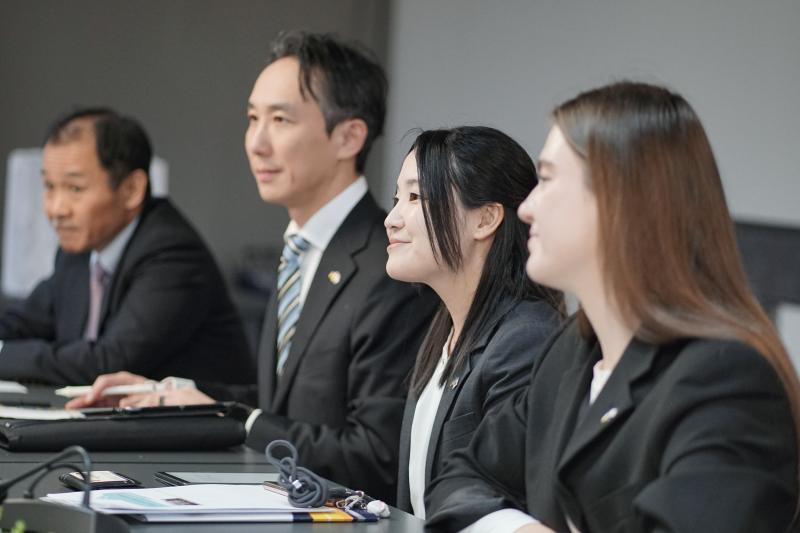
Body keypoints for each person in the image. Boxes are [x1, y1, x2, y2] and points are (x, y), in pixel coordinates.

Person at [68, 31, 437, 503]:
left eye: (280, 120)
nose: (256, 143)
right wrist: (172, 392)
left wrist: (237, 418)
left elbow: (374, 455)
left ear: (349, 136)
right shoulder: (302, 247)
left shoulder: (390, 266)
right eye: (252, 119)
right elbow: (284, 405)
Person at [425, 81, 800, 532]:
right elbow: (459, 478)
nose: (526, 208)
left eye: (547, 180)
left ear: (619, 199)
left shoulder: (725, 379)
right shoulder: (568, 354)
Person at [0, 108, 253, 386]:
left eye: (75, 189)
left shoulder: (173, 255)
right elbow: (23, 322)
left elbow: (109, 362)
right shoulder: (79, 249)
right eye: (49, 186)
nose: (57, 209)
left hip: (199, 414)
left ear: (131, 189)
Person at [386, 126, 563, 519]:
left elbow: (493, 497)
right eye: (397, 198)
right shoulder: (444, 330)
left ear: (485, 219)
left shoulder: (526, 339)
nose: (391, 219)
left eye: (415, 198)